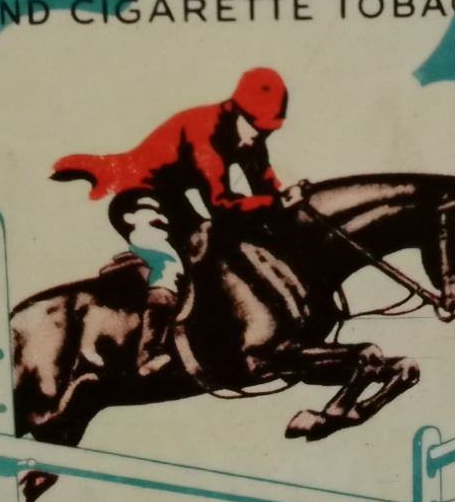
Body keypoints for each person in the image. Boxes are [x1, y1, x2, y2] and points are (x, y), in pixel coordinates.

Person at [52, 66, 288, 376]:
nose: (260, 135)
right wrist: (273, 203)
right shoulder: (205, 130)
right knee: (168, 264)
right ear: (237, 111)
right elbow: (220, 203)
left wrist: (284, 201)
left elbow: (266, 188)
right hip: (138, 198)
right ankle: (148, 351)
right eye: (257, 126)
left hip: (173, 202)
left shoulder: (249, 136)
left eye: (268, 129)